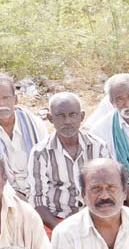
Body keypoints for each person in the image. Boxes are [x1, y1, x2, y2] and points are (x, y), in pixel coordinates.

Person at [28, 92, 109, 235]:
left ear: (82, 117)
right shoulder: (40, 152)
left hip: (94, 216)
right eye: (60, 116)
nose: (67, 121)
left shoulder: (98, 147)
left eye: (73, 115)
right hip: (56, 220)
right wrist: (60, 229)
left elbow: (107, 189)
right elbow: (37, 201)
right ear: (50, 118)